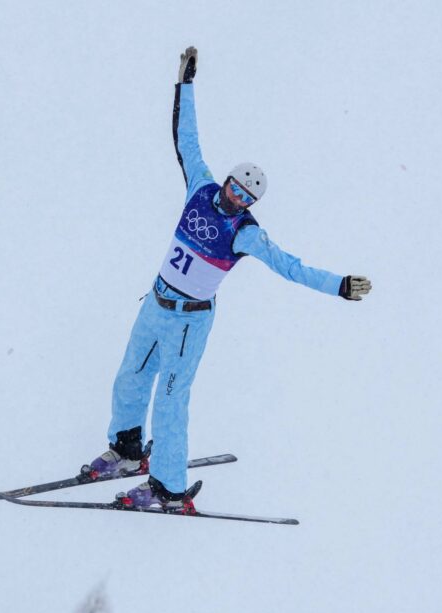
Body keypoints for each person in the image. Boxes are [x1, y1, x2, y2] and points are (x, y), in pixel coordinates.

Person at [87, 46, 372, 514]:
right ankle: (126, 449)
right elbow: (186, 138)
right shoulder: (200, 184)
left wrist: (338, 285)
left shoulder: (246, 234)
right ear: (226, 181)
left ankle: (168, 489)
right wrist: (185, 85)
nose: (235, 196)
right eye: (234, 185)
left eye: (246, 195)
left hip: (187, 323)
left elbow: (290, 266)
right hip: (155, 304)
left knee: (171, 402)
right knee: (130, 378)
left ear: (251, 202)